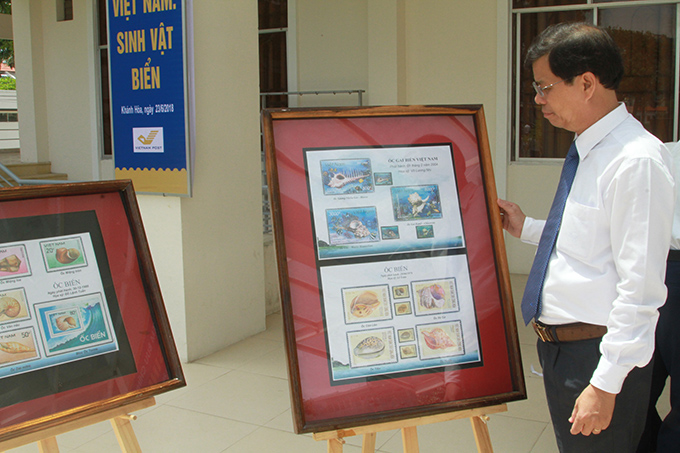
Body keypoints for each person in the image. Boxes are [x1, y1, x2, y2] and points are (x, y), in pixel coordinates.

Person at [497, 22, 675, 452]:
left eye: (545, 87)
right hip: (563, 352)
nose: (538, 101)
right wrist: (526, 228)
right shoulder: (589, 149)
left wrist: (605, 384)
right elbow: (587, 243)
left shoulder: (635, 160)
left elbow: (641, 291)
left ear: (587, 83)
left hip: (595, 356)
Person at [637, 141, 680, 453]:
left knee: (637, 387)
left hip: (652, 266)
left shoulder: (659, 153)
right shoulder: (659, 153)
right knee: (636, 384)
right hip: (655, 264)